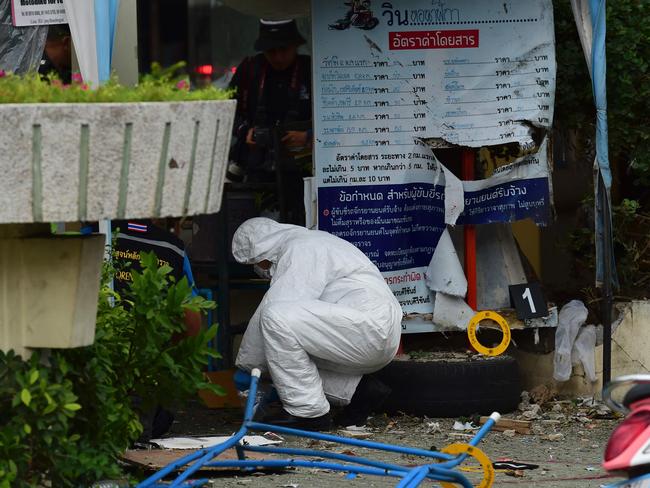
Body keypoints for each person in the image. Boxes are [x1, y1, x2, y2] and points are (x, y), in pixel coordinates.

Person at [232, 218, 402, 430]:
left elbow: (277, 308)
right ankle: (360, 391)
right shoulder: (315, 242)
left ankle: (308, 414)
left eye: (255, 263)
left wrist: (248, 366)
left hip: (367, 329)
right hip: (372, 333)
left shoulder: (301, 249)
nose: (258, 269)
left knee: (275, 319)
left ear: (261, 251)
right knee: (289, 351)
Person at [228, 19, 312, 223]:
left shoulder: (310, 70)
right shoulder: (250, 70)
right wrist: (245, 131)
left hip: (301, 172)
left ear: (296, 46)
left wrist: (309, 136)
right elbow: (226, 111)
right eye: (271, 51)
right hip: (257, 171)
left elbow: (333, 118)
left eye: (284, 50)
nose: (278, 57)